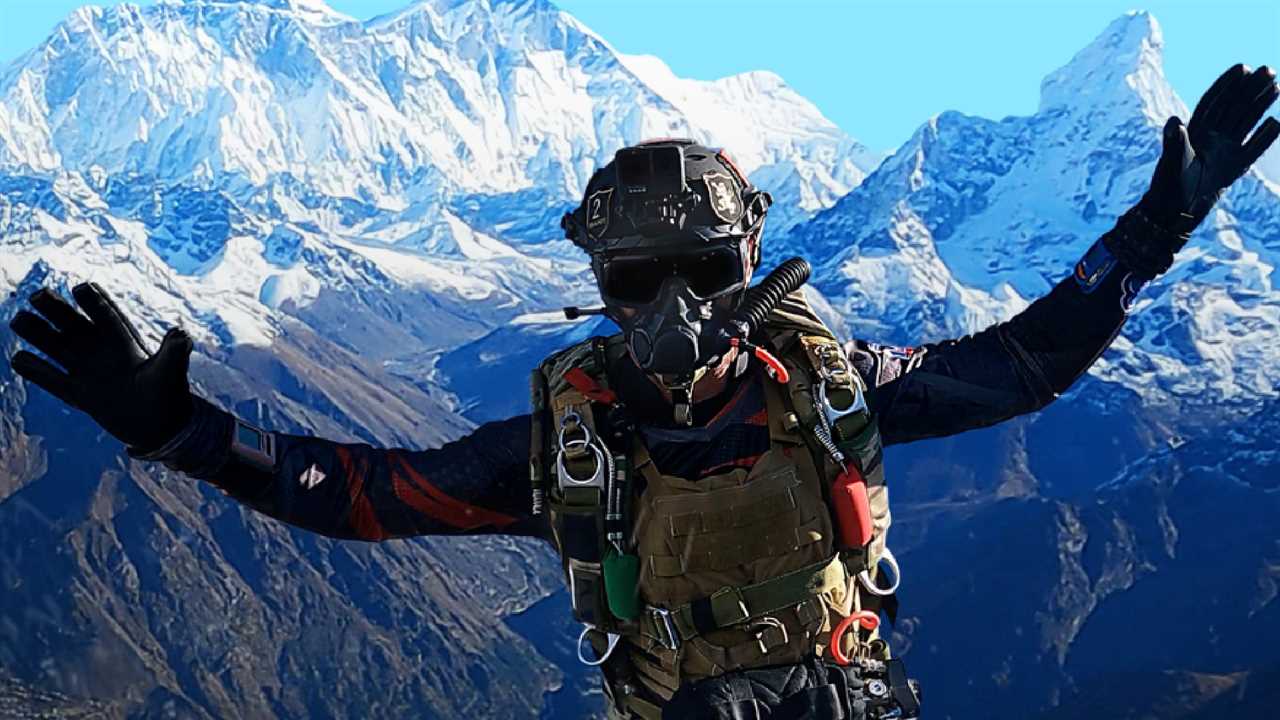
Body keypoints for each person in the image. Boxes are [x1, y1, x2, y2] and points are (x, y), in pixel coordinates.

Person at [8, 64, 1277, 719]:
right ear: (604, 285)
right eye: (640, 277)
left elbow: (1028, 365)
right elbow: (362, 496)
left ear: (741, 267)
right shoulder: (588, 443)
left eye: (695, 271)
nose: (672, 305)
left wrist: (1165, 216)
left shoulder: (817, 391)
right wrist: (177, 429)